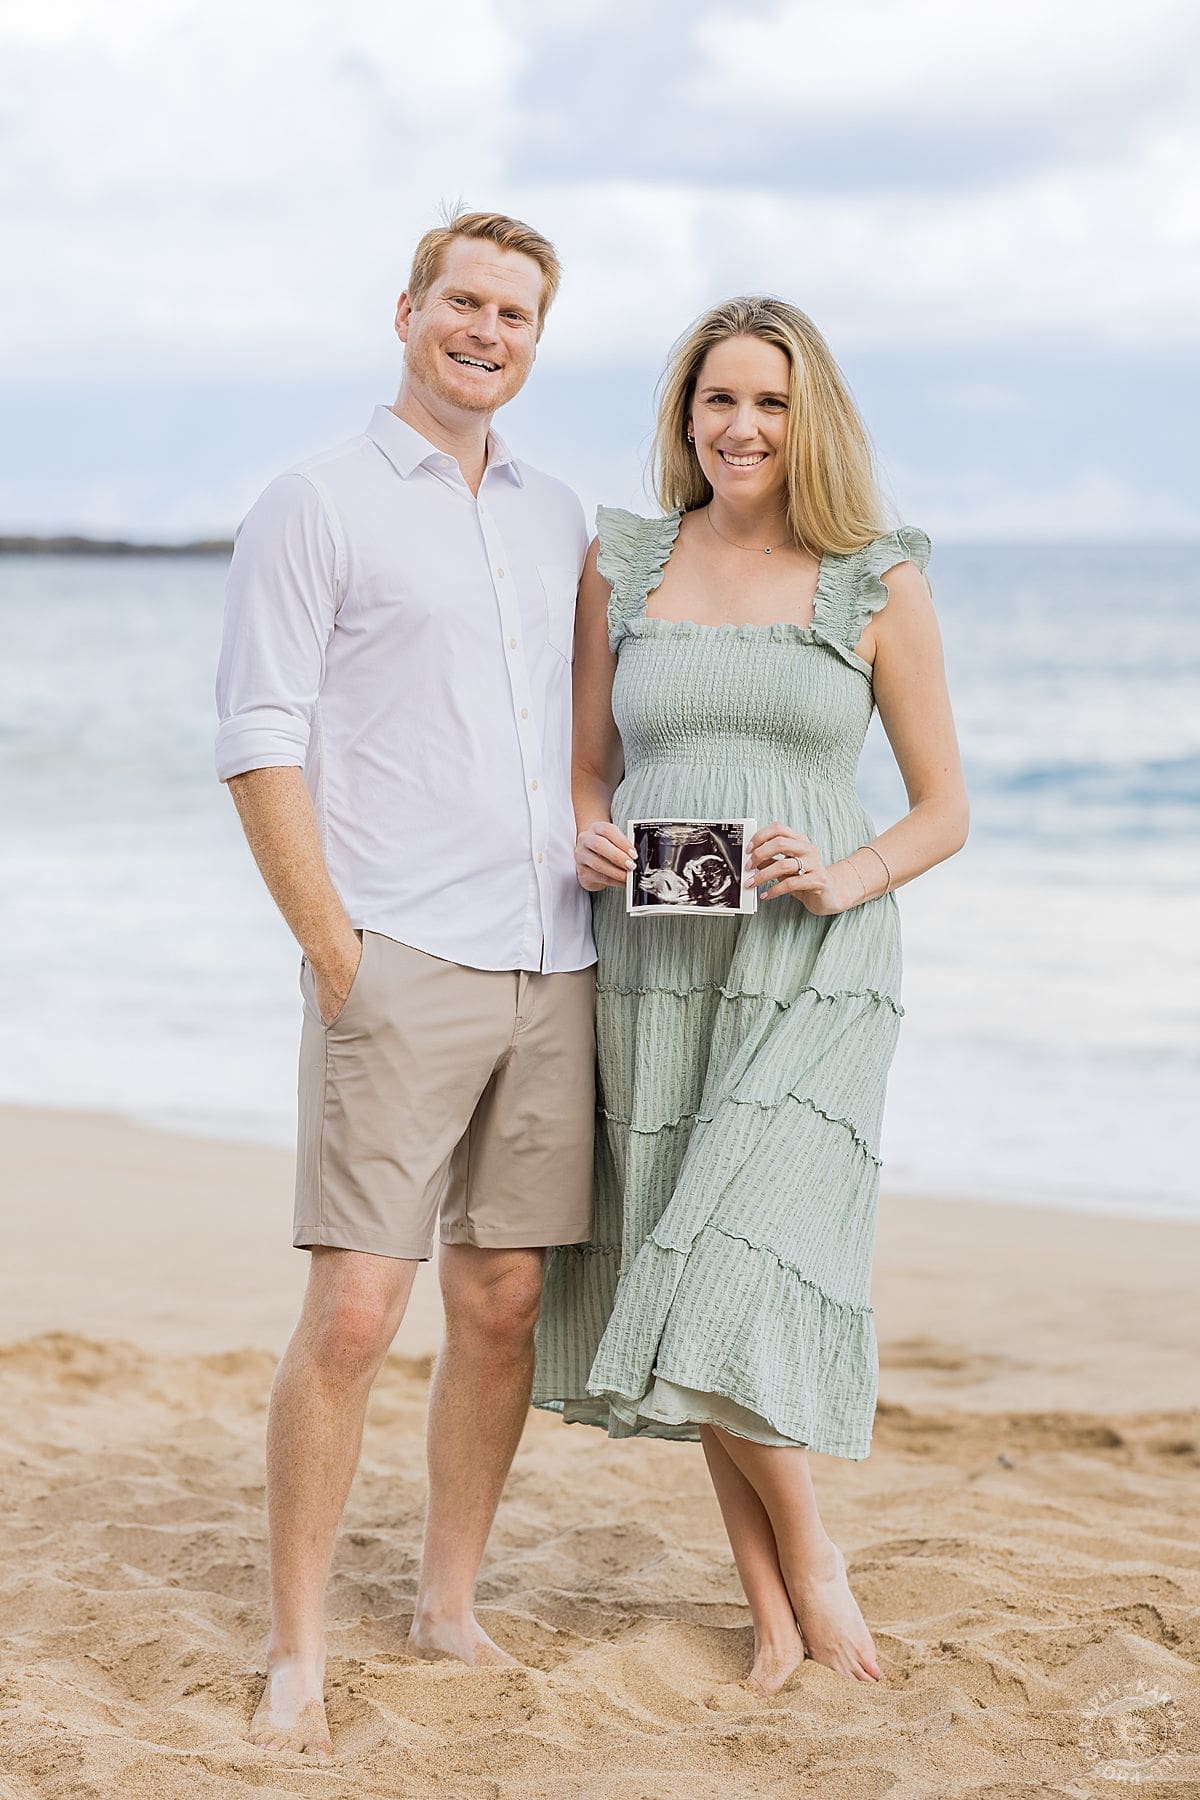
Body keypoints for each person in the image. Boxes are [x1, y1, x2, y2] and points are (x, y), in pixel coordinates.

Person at [533, 296, 968, 1693]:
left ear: (809, 417)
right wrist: (588, 829)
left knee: (732, 1245)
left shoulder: (873, 578)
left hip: (813, 964)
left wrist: (843, 877)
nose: (742, 427)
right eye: (718, 400)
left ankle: (816, 1567)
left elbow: (944, 808)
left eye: (770, 403)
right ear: (685, 417)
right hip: (659, 959)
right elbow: (587, 765)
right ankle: (771, 1613)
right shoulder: (629, 564)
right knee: (680, 1248)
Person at [214, 210, 596, 1760]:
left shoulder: (565, 516)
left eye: (515, 311)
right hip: (398, 959)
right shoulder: (313, 502)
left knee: (501, 1305)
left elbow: (578, 736)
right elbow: (259, 735)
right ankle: (296, 1648)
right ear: (408, 312)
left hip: (557, 959)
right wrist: (334, 953)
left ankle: (446, 1604)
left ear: (533, 338)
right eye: (464, 300)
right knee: (361, 1311)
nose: (486, 329)